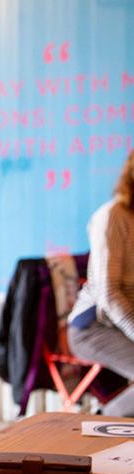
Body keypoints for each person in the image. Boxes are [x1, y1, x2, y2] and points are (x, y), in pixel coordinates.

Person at [68, 149, 134, 417]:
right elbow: (109, 293)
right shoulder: (113, 216)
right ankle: (101, 423)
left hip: (122, 325)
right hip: (94, 326)